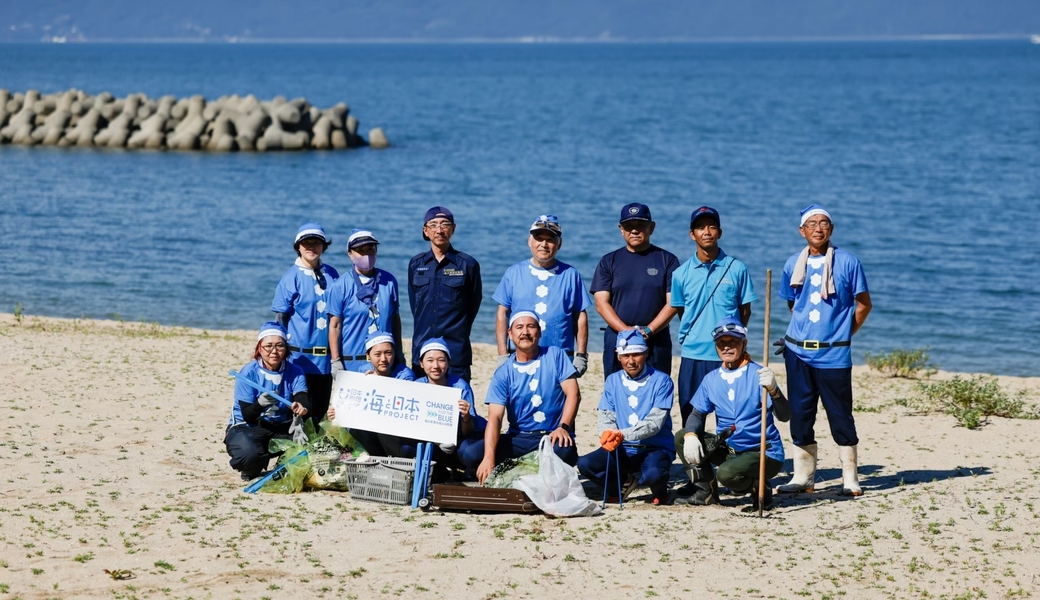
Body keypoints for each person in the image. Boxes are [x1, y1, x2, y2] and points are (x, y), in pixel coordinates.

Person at [775, 204, 871, 497]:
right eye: (812, 224)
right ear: (802, 231)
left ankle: (850, 477)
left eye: (824, 223)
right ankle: (803, 476)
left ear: (831, 229)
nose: (818, 228)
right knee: (801, 413)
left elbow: (864, 305)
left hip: (834, 355)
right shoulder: (793, 263)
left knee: (840, 414)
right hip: (797, 352)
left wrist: (841, 334)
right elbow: (794, 304)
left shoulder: (848, 262)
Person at [675, 317, 790, 511]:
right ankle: (706, 492)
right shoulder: (711, 379)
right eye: (721, 343)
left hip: (763, 451)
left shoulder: (759, 375)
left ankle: (761, 489)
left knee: (727, 475)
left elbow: (785, 415)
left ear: (744, 343)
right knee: (681, 437)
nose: (726, 347)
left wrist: (774, 390)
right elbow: (696, 414)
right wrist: (691, 435)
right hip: (730, 449)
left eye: (733, 342)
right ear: (716, 346)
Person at [465, 311, 581, 482]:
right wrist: (489, 457)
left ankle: (521, 470)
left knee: (564, 452)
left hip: (551, 435)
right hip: (518, 438)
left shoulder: (556, 355)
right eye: (519, 327)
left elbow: (574, 394)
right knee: (471, 454)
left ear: (539, 332)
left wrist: (563, 427)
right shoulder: (504, 372)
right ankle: (525, 470)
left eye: (531, 326)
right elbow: (495, 418)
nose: (525, 332)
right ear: (510, 334)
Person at [671, 206, 757, 426]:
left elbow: (744, 311)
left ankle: (728, 457)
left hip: (726, 354)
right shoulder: (681, 274)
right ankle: (694, 459)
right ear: (692, 234)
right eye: (700, 227)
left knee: (730, 414)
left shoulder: (737, 269)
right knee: (690, 415)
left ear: (720, 232)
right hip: (693, 353)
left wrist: (733, 338)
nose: (706, 231)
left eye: (711, 227)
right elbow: (682, 312)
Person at [577, 329, 675, 505]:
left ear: (645, 353)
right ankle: (622, 484)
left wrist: (623, 434)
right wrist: (606, 434)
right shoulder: (613, 380)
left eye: (636, 355)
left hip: (654, 447)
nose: (631, 361)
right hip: (622, 447)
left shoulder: (662, 381)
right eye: (626, 356)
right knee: (585, 464)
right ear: (618, 356)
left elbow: (655, 423)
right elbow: (606, 414)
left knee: (653, 475)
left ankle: (661, 492)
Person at [493, 214, 592, 377]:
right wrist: (502, 354)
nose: (544, 244)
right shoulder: (514, 273)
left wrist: (581, 356)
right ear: (530, 241)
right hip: (520, 355)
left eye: (550, 239)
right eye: (539, 238)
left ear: (559, 244)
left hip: (561, 356)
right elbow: (502, 313)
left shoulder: (571, 275)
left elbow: (580, 316)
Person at [591, 203, 680, 377]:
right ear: (621, 229)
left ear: (651, 227)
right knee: (617, 394)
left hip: (656, 338)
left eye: (640, 225)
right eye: (628, 226)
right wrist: (626, 331)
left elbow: (674, 303)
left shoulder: (668, 260)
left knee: (657, 392)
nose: (634, 231)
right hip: (618, 338)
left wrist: (649, 330)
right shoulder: (608, 261)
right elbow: (601, 304)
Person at [272, 222, 340, 427]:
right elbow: (280, 319)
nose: (311, 247)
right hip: (298, 359)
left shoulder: (333, 274)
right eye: (306, 243)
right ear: (298, 246)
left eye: (317, 242)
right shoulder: (290, 277)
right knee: (298, 414)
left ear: (323, 246)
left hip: (325, 361)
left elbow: (338, 317)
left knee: (319, 416)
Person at [224, 322, 310, 481]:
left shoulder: (295, 371)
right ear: (259, 348)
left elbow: (301, 397)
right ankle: (253, 463)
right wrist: (260, 404)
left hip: (280, 426)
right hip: (248, 426)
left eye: (279, 346)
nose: (274, 351)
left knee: (309, 450)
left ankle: (279, 461)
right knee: (249, 456)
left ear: (286, 348)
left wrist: (302, 409)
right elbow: (248, 415)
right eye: (268, 346)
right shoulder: (248, 372)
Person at [407, 206, 482, 382]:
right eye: (433, 225)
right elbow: (415, 305)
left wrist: (460, 329)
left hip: (455, 350)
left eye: (445, 224)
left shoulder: (468, 265)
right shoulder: (416, 264)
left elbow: (473, 304)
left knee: (456, 405)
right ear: (425, 231)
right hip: (422, 349)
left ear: (453, 229)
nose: (439, 230)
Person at [327, 229, 403, 376]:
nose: (366, 255)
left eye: (370, 249)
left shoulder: (389, 281)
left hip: (384, 361)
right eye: (360, 251)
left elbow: (395, 318)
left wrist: (399, 351)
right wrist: (335, 360)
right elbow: (335, 325)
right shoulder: (341, 285)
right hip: (352, 361)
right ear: (350, 254)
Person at [329, 331, 416, 458]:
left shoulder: (405, 375)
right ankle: (377, 460)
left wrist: (378, 382)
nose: (383, 359)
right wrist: (338, 412)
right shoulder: (363, 371)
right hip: (375, 428)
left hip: (398, 433)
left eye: (388, 353)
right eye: (377, 354)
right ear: (368, 355)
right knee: (356, 429)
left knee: (384, 432)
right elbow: (354, 403)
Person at [415, 337, 487, 479]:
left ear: (448, 363)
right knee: (408, 448)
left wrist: (466, 417)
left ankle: (468, 472)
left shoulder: (460, 386)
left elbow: (469, 431)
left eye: (441, 360)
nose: (435, 365)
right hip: (437, 439)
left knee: (467, 452)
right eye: (430, 360)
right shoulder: (417, 386)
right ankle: (439, 473)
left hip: (466, 436)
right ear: (421, 363)